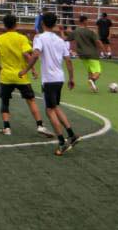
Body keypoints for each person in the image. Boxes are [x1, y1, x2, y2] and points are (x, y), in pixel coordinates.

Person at [20, 11, 78, 156]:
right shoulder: (61, 40)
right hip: (59, 78)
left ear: (42, 23)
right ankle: (71, 134)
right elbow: (68, 60)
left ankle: (61, 142)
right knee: (55, 107)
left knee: (49, 110)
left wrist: (26, 70)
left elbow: (35, 54)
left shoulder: (39, 37)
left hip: (49, 79)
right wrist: (71, 78)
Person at [0, 12, 54, 139]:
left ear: (4, 25)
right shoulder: (22, 38)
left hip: (6, 76)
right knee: (31, 100)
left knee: (5, 101)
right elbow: (27, 55)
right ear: (16, 24)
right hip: (21, 76)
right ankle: (40, 125)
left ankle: (7, 127)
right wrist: (32, 70)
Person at [72, 14, 103, 92]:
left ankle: (92, 87)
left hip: (82, 55)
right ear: (85, 21)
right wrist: (103, 49)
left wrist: (62, 31)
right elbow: (98, 41)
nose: (88, 22)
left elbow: (67, 38)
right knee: (97, 72)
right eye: (87, 20)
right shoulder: (90, 31)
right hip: (92, 54)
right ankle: (92, 80)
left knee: (90, 71)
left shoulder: (76, 31)